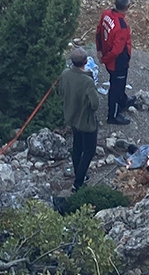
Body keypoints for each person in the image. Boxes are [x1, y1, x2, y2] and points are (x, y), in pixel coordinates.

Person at [59, 47, 99, 191]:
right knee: (89, 151)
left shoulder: (65, 74)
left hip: (71, 117)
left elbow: (61, 91)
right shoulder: (87, 81)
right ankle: (79, 182)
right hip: (86, 121)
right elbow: (95, 104)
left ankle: (78, 172)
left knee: (77, 146)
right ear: (86, 61)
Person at [95, 0, 134, 125]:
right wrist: (105, 59)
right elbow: (117, 50)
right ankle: (113, 115)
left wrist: (99, 50)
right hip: (118, 63)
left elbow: (99, 31)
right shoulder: (122, 27)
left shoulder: (106, 14)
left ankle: (123, 100)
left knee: (118, 84)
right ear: (128, 6)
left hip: (108, 57)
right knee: (116, 88)